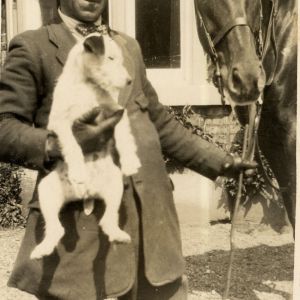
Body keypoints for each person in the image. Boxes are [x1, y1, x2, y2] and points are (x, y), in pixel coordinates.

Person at [0, 1, 256, 299]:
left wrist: (222, 163)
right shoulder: (34, 47)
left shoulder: (127, 47)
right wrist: (60, 143)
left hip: (152, 241)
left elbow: (160, 122)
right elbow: (4, 129)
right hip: (81, 248)